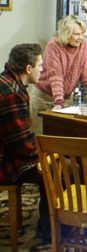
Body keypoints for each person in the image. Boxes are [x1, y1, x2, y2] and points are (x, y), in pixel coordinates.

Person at [0, 43, 50, 242]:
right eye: (40, 65)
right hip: (5, 161)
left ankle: (50, 225)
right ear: (28, 69)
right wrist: (48, 153)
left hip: (8, 152)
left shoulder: (7, 81)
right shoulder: (13, 93)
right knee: (57, 168)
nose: (43, 69)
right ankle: (49, 230)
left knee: (54, 161)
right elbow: (23, 146)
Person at [30, 15, 87, 134]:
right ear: (66, 34)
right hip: (43, 98)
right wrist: (58, 103)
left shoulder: (83, 46)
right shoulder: (54, 45)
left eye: (82, 34)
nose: (81, 38)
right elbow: (56, 77)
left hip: (65, 99)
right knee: (40, 137)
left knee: (63, 138)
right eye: (77, 34)